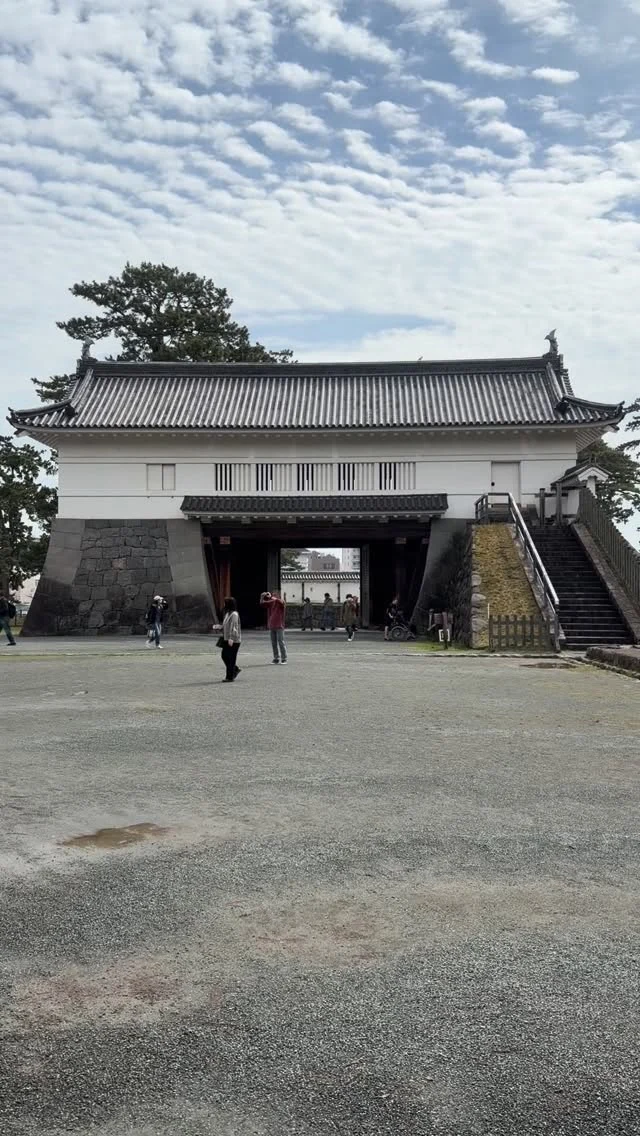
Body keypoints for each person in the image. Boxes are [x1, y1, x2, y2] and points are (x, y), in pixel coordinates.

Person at [260, 590, 288, 664]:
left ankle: (284, 658)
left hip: (279, 625)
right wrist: (262, 596)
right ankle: (276, 658)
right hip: (272, 625)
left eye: (275, 594)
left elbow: (281, 602)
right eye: (273, 594)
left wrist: (271, 597)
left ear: (278, 595)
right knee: (274, 643)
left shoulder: (280, 602)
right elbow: (262, 604)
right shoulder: (271, 602)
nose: (273, 595)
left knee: (281, 642)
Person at [220, 596, 241, 682]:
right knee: (224, 655)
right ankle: (234, 669)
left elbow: (234, 626)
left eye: (225, 603)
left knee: (231, 657)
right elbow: (226, 625)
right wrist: (220, 626)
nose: (224, 604)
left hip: (233, 640)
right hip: (226, 638)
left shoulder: (234, 614)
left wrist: (232, 638)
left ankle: (229, 677)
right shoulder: (227, 614)